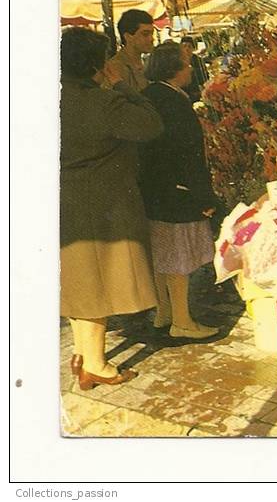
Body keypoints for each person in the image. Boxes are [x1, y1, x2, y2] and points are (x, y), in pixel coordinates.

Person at [60, 27, 164, 390]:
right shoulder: (102, 102)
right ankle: (96, 365)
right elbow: (151, 125)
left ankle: (84, 354)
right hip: (101, 205)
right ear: (97, 65)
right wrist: (120, 85)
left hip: (62, 201)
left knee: (76, 284)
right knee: (94, 288)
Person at [138, 43, 220, 340]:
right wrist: (204, 196)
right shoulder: (174, 102)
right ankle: (183, 321)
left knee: (161, 255)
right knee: (178, 258)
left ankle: (164, 313)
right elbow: (188, 155)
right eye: (186, 65)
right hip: (177, 192)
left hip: (153, 191)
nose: (190, 69)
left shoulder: (148, 96)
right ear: (174, 70)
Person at [105, 9, 156, 91]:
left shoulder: (148, 64)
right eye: (145, 34)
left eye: (152, 34)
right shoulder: (116, 68)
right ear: (128, 36)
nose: (151, 39)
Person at [179, 35, 210, 103]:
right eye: (184, 46)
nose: (186, 49)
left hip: (197, 93)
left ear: (193, 49)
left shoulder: (198, 61)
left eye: (189, 46)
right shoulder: (178, 61)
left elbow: (205, 77)